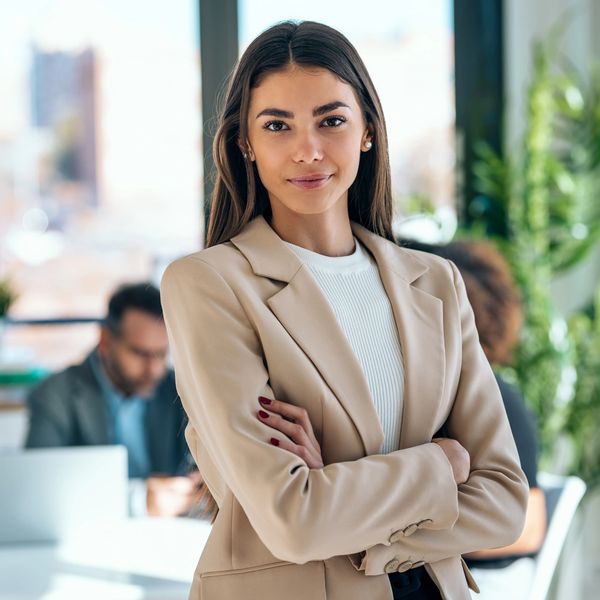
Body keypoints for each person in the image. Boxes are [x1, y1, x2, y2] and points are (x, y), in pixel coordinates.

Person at [160, 21, 528, 600]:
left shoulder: (435, 283)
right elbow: (293, 521)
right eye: (277, 125)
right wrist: (440, 462)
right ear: (245, 144)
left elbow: (505, 502)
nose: (308, 150)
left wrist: (345, 501)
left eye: (331, 121)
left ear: (367, 133)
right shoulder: (209, 285)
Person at [400, 239, 546, 599]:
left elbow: (528, 526)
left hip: (484, 584)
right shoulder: (427, 392)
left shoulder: (498, 398)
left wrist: (415, 536)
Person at [26, 282, 201, 517]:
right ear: (105, 340)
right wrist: (137, 501)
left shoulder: (179, 390)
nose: (154, 369)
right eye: (140, 353)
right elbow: (38, 490)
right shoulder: (53, 395)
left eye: (161, 354)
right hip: (90, 536)